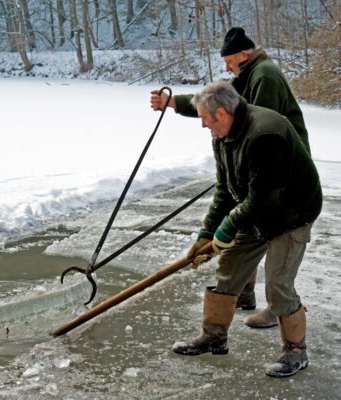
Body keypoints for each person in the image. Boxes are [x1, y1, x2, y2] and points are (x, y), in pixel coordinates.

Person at [151, 26, 311, 329]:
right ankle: (240, 297)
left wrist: (224, 226)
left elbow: (261, 129)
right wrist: (173, 103)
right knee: (240, 238)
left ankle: (282, 312)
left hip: (283, 174)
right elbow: (216, 102)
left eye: (228, 60)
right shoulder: (244, 77)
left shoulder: (264, 76)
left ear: (243, 53)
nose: (225, 66)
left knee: (268, 254)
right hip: (258, 167)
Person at [169, 81, 322, 377]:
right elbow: (226, 190)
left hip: (291, 213)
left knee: (278, 283)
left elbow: (264, 197)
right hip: (256, 208)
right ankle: (213, 338)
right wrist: (207, 233)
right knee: (229, 266)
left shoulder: (266, 134)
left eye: (205, 118)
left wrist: (227, 227)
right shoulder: (222, 135)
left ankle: (295, 352)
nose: (202, 124)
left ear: (223, 113)